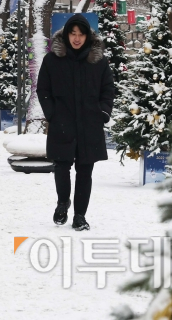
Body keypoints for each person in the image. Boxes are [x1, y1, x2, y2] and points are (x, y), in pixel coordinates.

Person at [36, 14, 115, 231]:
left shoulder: (98, 61)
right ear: (67, 35)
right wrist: (52, 113)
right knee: (61, 166)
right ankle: (63, 203)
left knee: (85, 170)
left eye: (81, 34)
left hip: (90, 124)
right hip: (62, 122)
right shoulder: (52, 60)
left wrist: (103, 112)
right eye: (73, 34)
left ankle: (80, 215)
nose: (77, 38)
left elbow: (108, 90)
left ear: (87, 36)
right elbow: (43, 89)